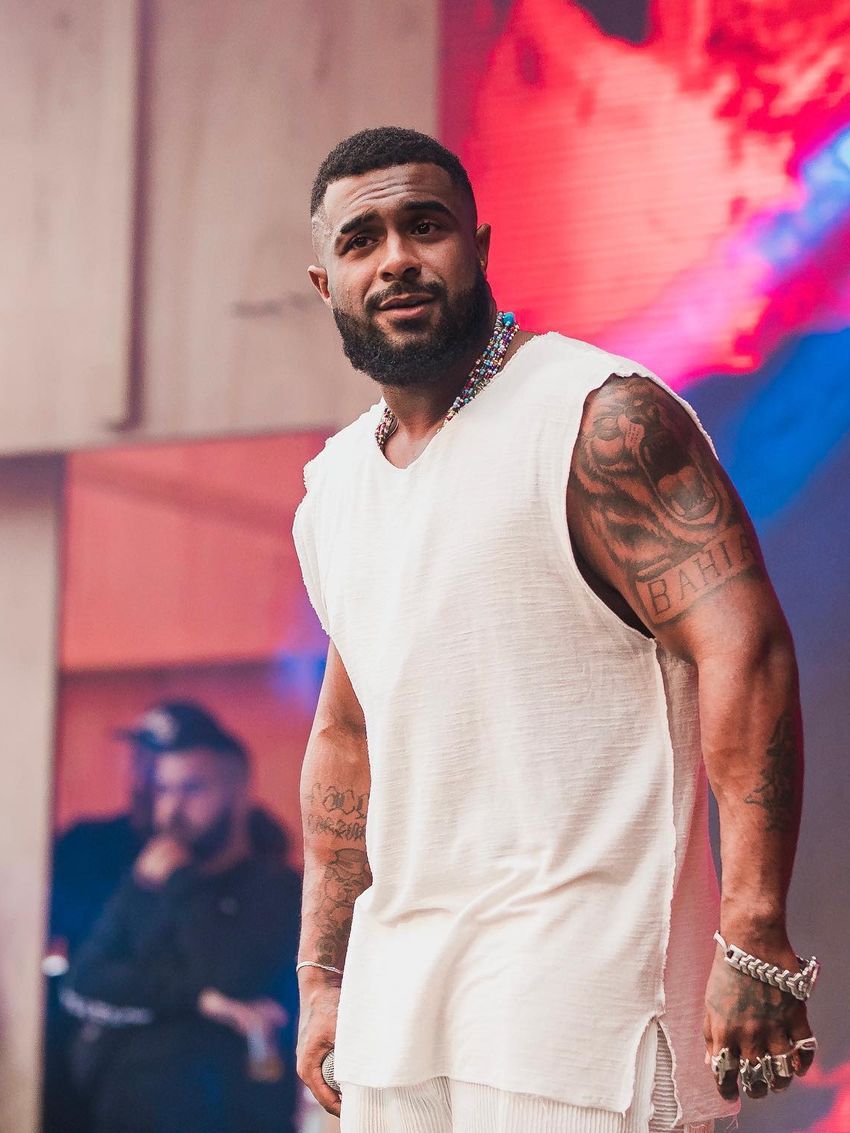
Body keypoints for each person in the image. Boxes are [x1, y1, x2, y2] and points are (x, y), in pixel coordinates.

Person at [292, 126, 818, 1133]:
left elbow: (745, 650)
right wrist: (325, 975)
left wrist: (753, 929)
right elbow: (348, 735)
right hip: (401, 1015)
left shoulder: (601, 420)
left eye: (425, 225)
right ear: (326, 285)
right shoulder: (336, 492)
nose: (397, 257)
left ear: (479, 246)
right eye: (362, 240)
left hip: (583, 1011)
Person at [43, 700, 290, 1132]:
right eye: (163, 787)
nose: (172, 809)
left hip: (235, 1111)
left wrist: (179, 880)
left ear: (236, 790)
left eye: (191, 789)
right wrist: (199, 999)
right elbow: (87, 978)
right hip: (118, 1106)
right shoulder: (132, 872)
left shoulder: (275, 885)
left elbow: (230, 976)